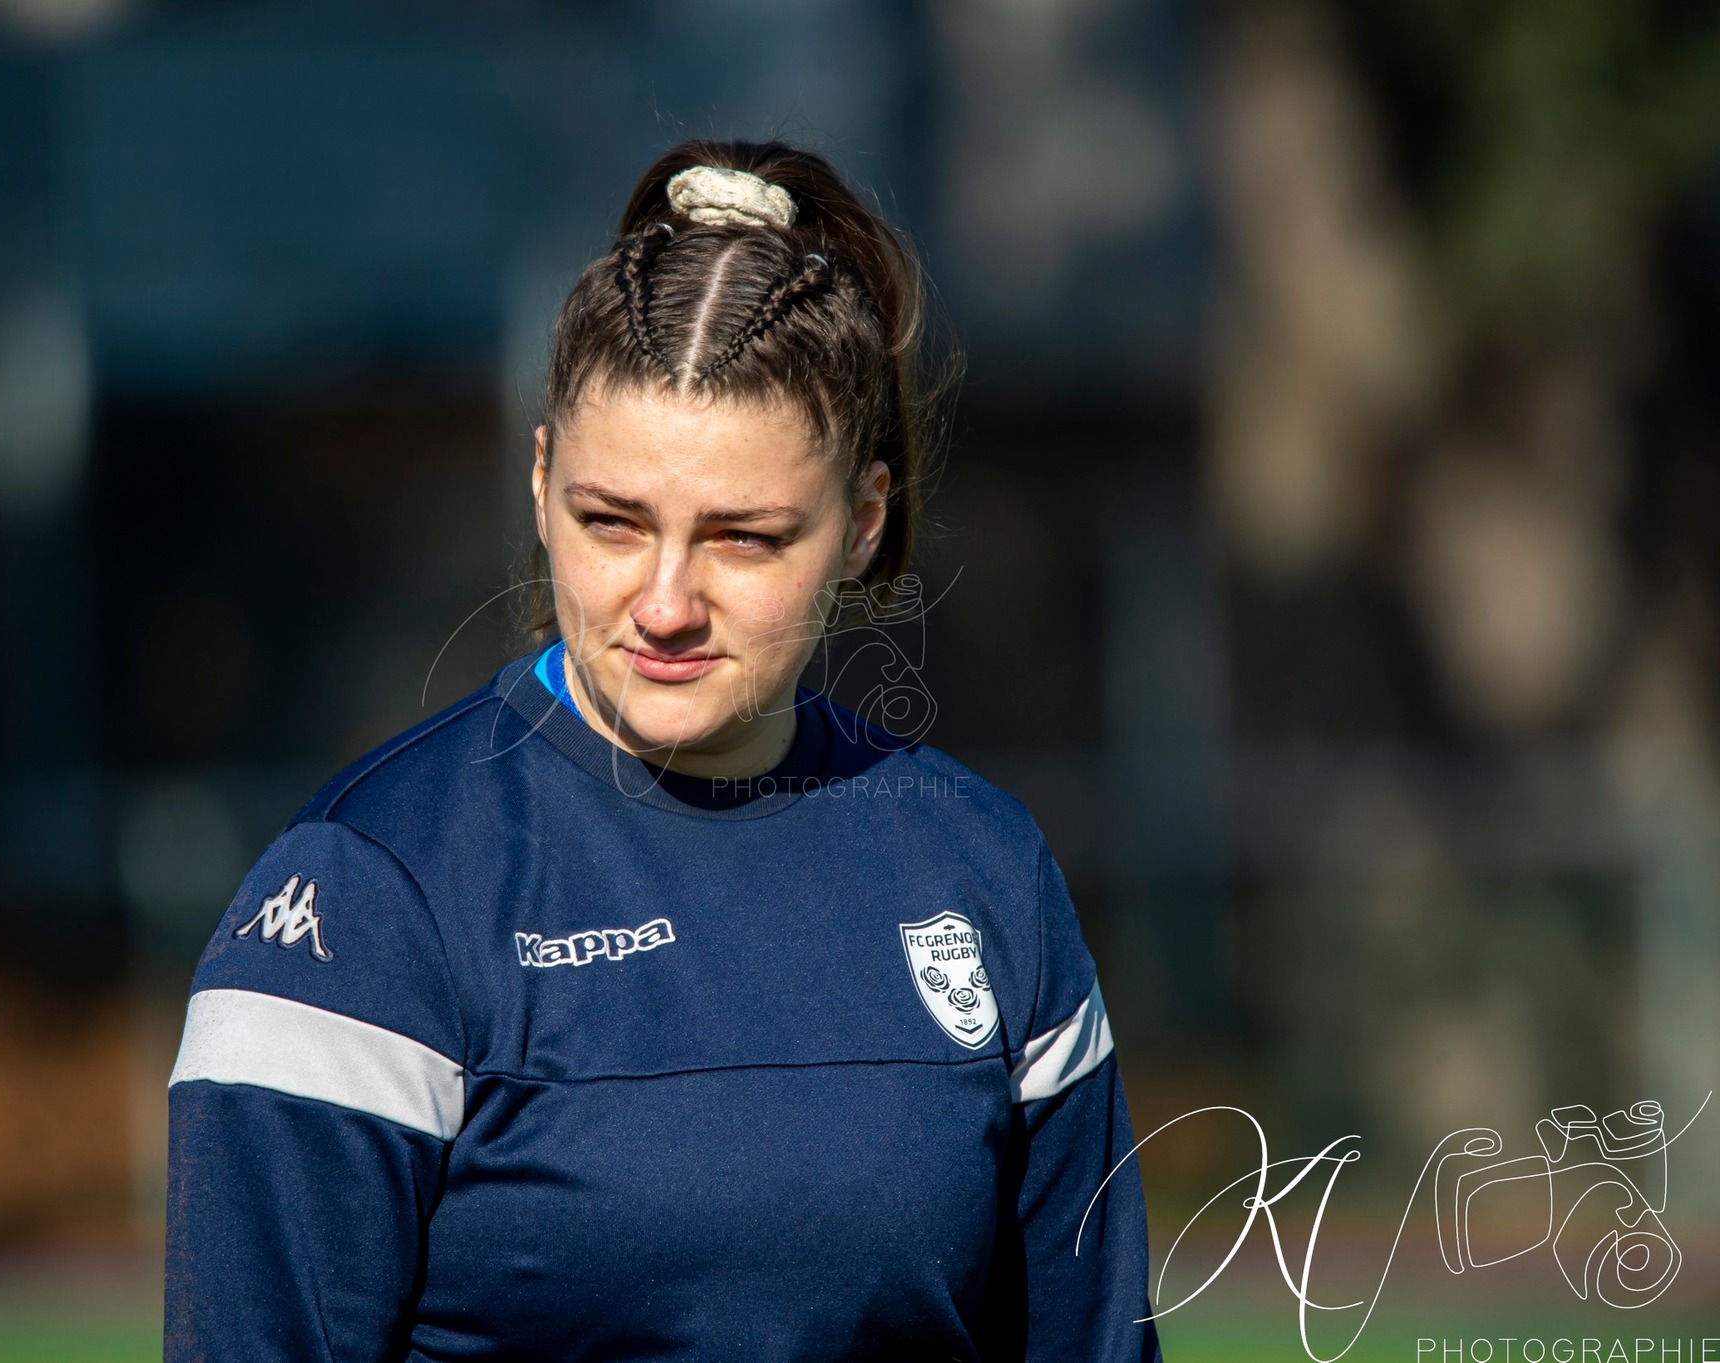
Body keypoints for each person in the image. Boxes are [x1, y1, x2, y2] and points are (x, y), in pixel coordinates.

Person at [164, 139, 1160, 1362]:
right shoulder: (367, 899)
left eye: (742, 538)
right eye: (611, 522)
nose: (666, 600)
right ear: (538, 485)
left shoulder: (983, 871)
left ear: (860, 524)